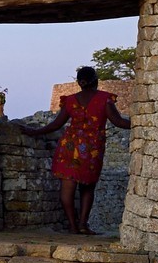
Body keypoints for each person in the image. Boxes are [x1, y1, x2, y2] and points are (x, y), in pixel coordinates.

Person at [19, 66, 131, 235]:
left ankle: (72, 225)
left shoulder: (70, 101)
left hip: (69, 147)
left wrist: (34, 131)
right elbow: (118, 122)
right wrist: (141, 122)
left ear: (79, 83)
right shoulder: (105, 99)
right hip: (92, 148)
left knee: (67, 187)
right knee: (87, 188)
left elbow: (56, 124)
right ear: (96, 80)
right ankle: (83, 225)